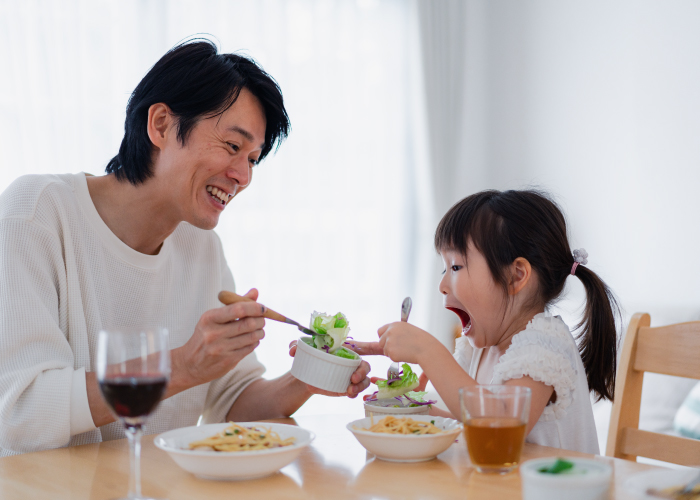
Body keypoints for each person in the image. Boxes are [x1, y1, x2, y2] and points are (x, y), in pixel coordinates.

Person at [0, 40, 369, 456]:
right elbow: (20, 410)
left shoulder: (202, 248)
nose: (243, 176)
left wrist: (308, 377)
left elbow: (233, 402)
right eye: (232, 146)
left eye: (253, 158)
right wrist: (182, 366)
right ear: (160, 125)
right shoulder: (36, 213)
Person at [361, 190, 619, 453]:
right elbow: (471, 420)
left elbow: (502, 425)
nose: (441, 285)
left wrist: (428, 352)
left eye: (456, 267)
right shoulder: (478, 348)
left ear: (516, 276)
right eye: (444, 268)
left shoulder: (545, 345)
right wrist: (416, 409)